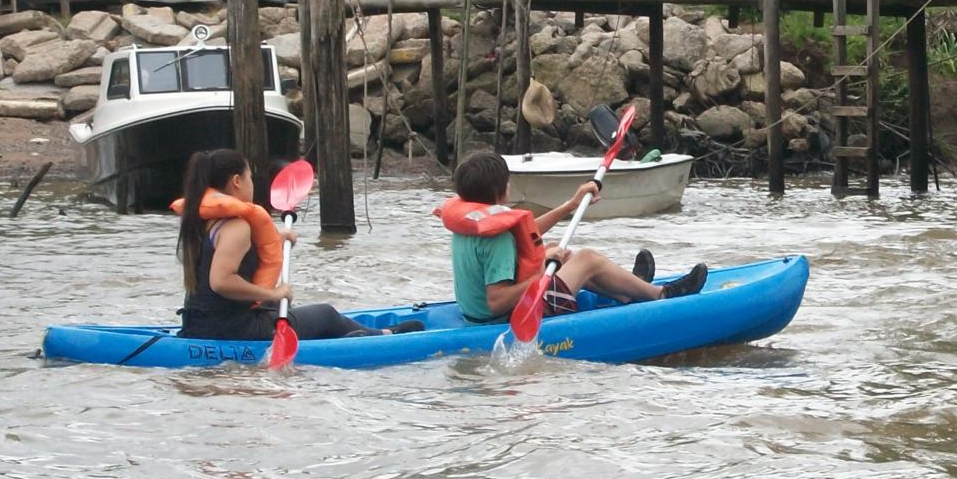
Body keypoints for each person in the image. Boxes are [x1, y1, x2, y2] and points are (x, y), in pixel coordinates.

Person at [438, 150, 707, 324]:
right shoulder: (494, 239)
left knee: (558, 251)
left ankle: (627, 291)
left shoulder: (474, 222)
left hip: (484, 314)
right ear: (499, 189)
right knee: (587, 259)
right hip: (513, 317)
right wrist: (541, 274)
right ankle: (661, 295)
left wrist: (570, 205)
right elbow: (496, 302)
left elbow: (524, 236)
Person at [175, 149, 413, 340]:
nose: (252, 182)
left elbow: (218, 262)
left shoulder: (200, 220)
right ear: (237, 181)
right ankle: (384, 336)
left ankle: (332, 337)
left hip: (198, 324)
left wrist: (273, 242)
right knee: (326, 315)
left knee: (278, 303)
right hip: (231, 330)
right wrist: (271, 291)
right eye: (249, 176)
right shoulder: (236, 226)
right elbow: (221, 282)